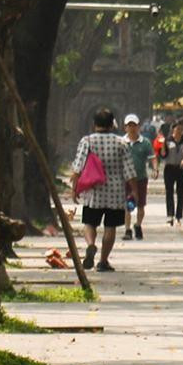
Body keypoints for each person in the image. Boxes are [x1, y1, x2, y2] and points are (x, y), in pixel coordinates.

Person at [70, 107, 133, 272]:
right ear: (112, 124)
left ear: (94, 124)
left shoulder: (87, 141)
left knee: (89, 223)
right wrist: (134, 191)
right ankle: (103, 261)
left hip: (93, 192)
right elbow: (129, 172)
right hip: (116, 193)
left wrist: (74, 189)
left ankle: (91, 244)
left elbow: (77, 167)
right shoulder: (121, 143)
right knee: (110, 228)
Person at [121, 114, 150, 241]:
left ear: (138, 127)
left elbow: (152, 157)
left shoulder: (145, 142)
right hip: (126, 178)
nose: (132, 128)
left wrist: (154, 168)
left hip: (141, 178)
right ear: (125, 127)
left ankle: (138, 225)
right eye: (129, 125)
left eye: (134, 125)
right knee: (128, 204)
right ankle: (127, 229)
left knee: (140, 205)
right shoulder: (121, 142)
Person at [162, 117, 183, 227]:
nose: (179, 131)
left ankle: (178, 216)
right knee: (169, 192)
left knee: (181, 193)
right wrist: (163, 147)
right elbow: (163, 155)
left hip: (181, 169)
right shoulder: (167, 140)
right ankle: (170, 215)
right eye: (177, 129)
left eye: (181, 129)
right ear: (173, 129)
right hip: (169, 168)